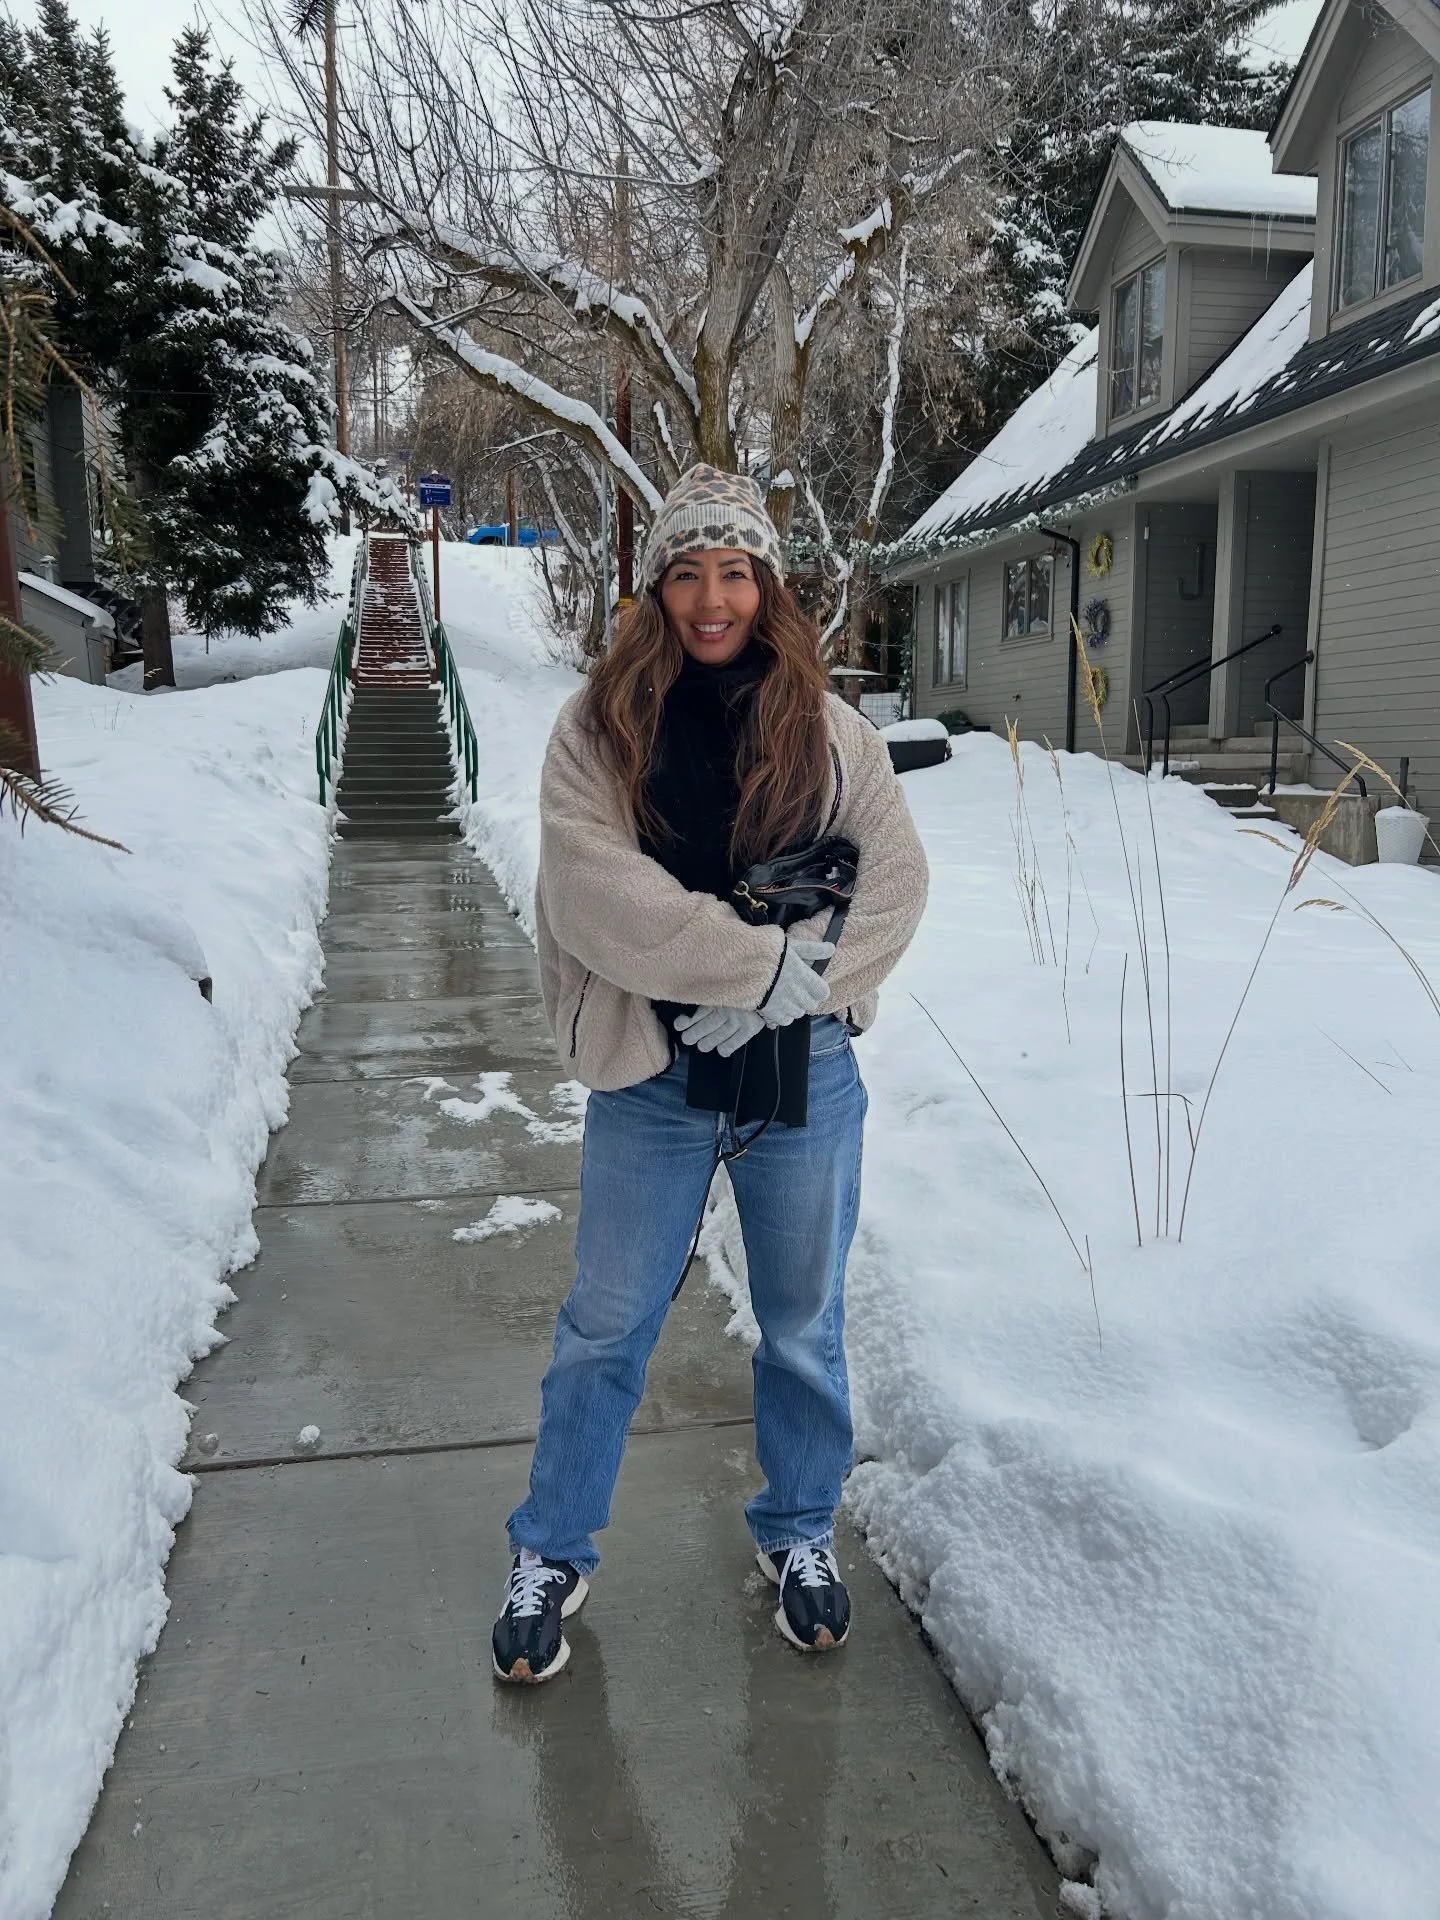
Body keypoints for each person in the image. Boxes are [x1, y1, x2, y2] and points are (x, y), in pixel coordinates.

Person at [493, 463, 928, 1683]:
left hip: (807, 1071)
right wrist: (759, 968)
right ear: (655, 592)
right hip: (651, 1076)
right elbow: (593, 892)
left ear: (767, 587)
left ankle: (799, 1530)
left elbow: (896, 885)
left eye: (735, 572)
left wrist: (797, 993)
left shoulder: (834, 732)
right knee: (606, 1325)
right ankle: (551, 1548)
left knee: (802, 1325)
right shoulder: (596, 731)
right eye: (686, 573)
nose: (712, 598)